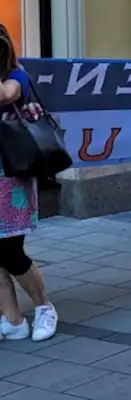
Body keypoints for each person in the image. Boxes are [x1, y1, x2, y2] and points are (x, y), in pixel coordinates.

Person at [0, 25, 57, 342]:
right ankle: (12, 319)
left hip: (11, 176)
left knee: (11, 250)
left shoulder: (16, 78)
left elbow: (6, 95)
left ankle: (44, 307)